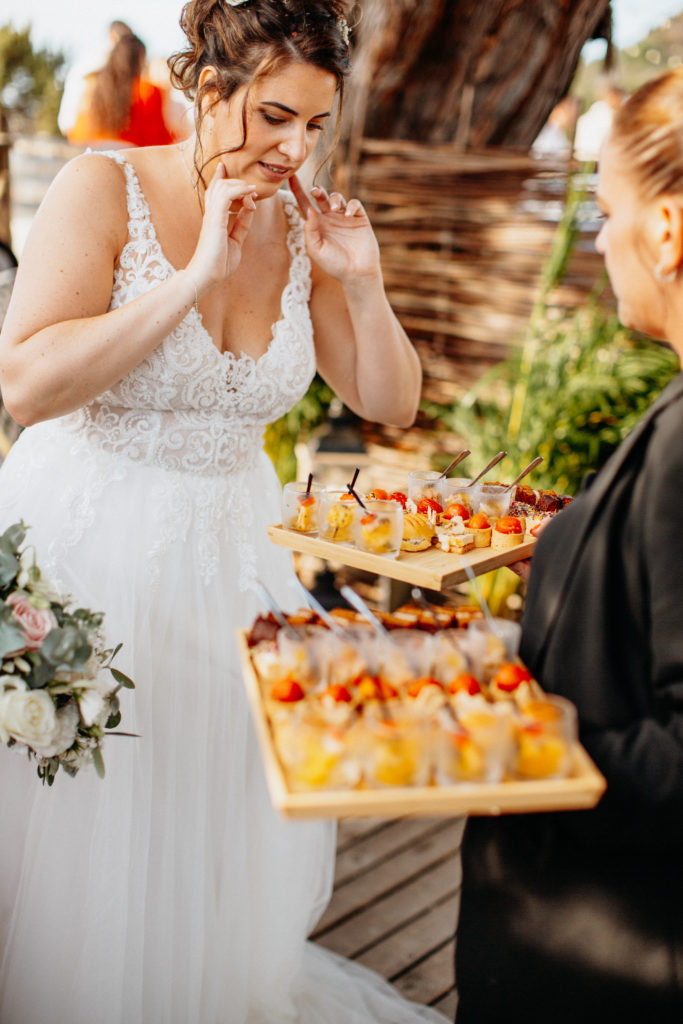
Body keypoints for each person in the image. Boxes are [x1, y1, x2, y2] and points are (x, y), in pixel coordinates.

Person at [0, 1, 445, 1022]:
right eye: (275, 116)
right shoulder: (101, 184)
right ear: (209, 87)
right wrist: (194, 273)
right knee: (80, 843)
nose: (296, 149)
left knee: (199, 827)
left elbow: (388, 402)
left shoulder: (305, 221)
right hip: (82, 566)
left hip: (228, 572)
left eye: (316, 125)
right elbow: (25, 384)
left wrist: (365, 287)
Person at [455, 67, 683, 1024]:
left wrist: (493, 725)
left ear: (666, 232)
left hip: (610, 966)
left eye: (605, 210)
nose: (597, 239)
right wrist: (569, 548)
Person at [67, 30, 176, 148]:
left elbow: (78, 134)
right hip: (131, 161)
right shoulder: (148, 91)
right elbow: (158, 143)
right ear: (140, 59)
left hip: (91, 156)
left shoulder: (92, 85)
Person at [58, 19, 135, 138]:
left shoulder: (96, 59)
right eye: (125, 40)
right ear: (113, 36)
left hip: (93, 129)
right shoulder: (98, 61)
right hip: (85, 128)